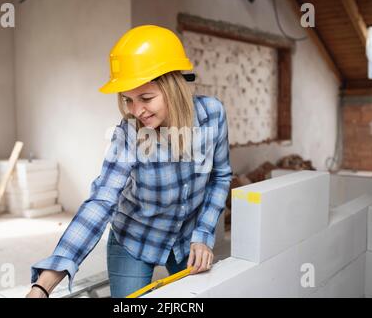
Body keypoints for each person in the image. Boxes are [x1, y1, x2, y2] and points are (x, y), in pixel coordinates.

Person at [26, 25, 232, 298]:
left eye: (146, 98)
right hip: (134, 239)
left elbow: (220, 176)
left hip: (187, 237)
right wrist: (43, 285)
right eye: (128, 100)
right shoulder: (128, 135)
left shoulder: (212, 115)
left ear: (175, 87)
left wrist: (204, 232)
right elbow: (100, 202)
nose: (137, 111)